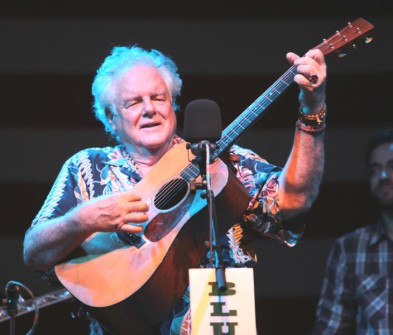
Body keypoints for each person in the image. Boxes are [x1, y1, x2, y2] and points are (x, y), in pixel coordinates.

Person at [23, 45, 327, 335]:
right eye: (133, 102)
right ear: (111, 119)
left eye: (158, 98)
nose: (149, 110)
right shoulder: (88, 167)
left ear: (173, 105)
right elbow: (35, 251)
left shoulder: (222, 161)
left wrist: (312, 111)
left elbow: (294, 198)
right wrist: (84, 219)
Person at [312, 129, 393, 334]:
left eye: (392, 166)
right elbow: (330, 328)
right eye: (375, 169)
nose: (383, 176)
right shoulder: (350, 248)